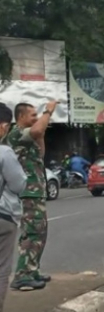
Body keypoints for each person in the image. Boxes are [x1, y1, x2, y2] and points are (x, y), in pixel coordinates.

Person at [8, 101, 57, 291]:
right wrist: (48, 111)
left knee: (40, 232)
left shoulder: (30, 138)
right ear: (21, 117)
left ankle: (32, 269)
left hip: (36, 192)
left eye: (37, 115)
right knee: (32, 231)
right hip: (27, 193)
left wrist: (42, 133)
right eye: (33, 115)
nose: (37, 119)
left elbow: (41, 152)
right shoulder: (16, 134)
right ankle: (22, 276)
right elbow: (35, 131)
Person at [0, 103, 27, 310]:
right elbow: (19, 184)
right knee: (1, 269)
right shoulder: (5, 152)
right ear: (3, 127)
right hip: (3, 217)